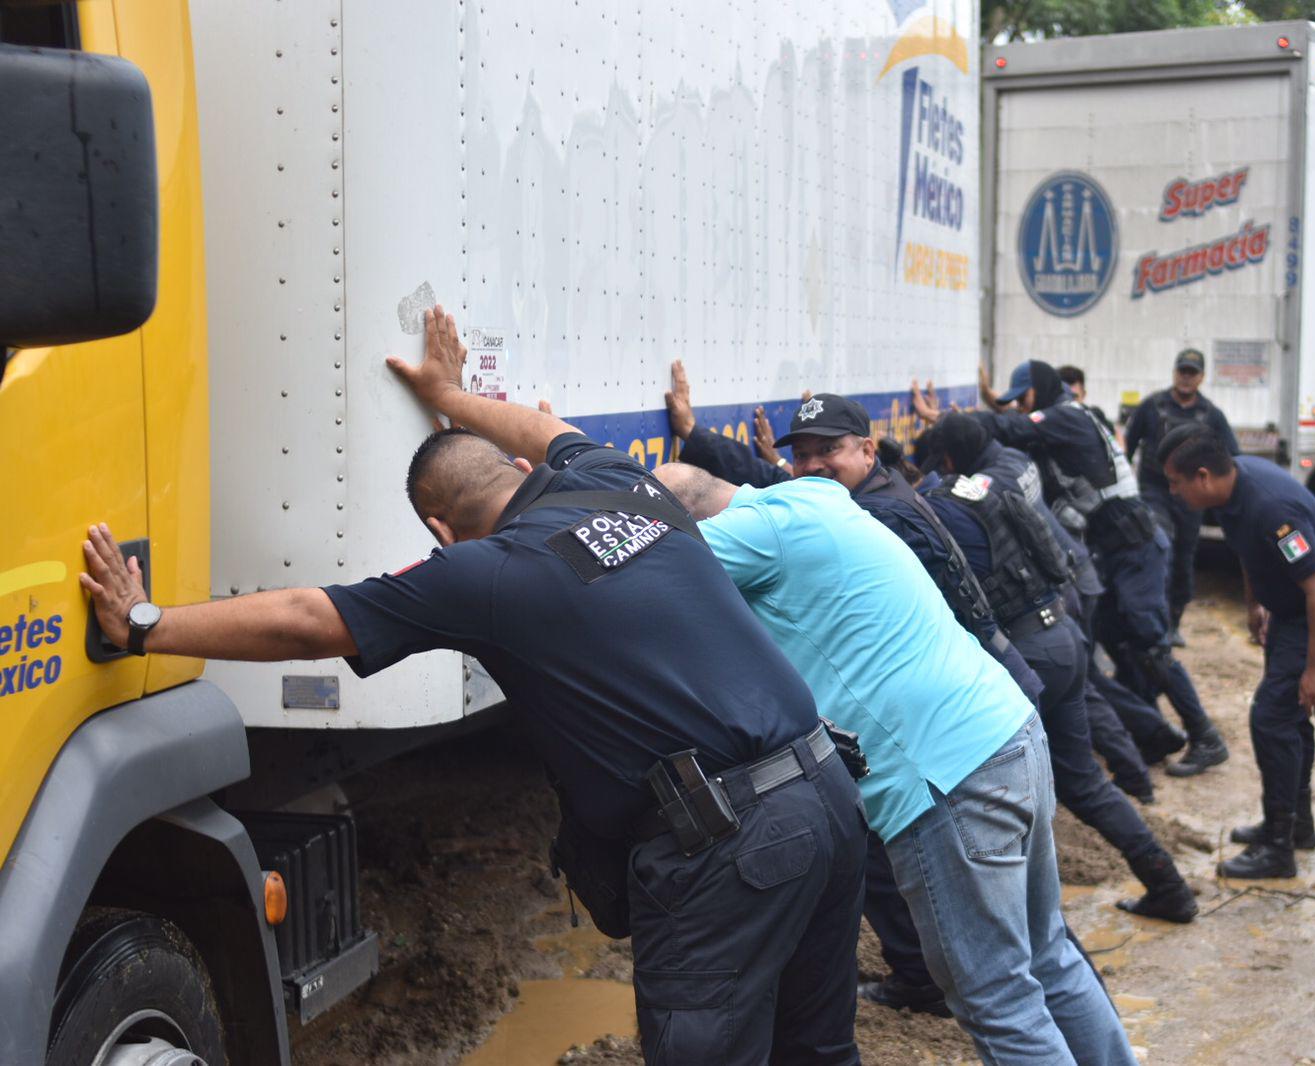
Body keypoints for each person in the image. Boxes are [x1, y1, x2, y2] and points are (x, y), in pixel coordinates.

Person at [79, 307, 869, 1065]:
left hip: (732, 847)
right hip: (830, 795)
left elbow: (308, 619)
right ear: (524, 474)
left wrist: (142, 623)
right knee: (818, 1052)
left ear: (440, 532)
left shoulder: (484, 574)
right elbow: (547, 431)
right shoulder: (618, 480)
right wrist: (450, 400)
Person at [652, 462, 1139, 1066]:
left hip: (945, 777)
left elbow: (646, 571)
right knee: (1050, 958)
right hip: (1009, 732)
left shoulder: (747, 535)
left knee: (997, 997)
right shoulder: (814, 499)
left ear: (692, 521)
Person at [664, 362, 1044, 1016]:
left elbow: (669, 556)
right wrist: (699, 436)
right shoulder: (847, 499)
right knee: (1043, 960)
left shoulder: (878, 513)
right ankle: (921, 975)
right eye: (802, 453)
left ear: (869, 450)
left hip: (949, 754)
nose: (812, 465)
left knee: (1000, 995)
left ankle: (924, 980)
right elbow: (759, 490)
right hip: (994, 722)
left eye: (829, 451)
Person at [921, 412, 1198, 923]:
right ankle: (1168, 884)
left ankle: (1028, 929)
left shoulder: (934, 510)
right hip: (1061, 633)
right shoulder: (992, 485)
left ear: (943, 462)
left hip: (1029, 655)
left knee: (999, 791)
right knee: (1084, 783)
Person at [916, 361, 1229, 778]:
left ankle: (1204, 735)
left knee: (1151, 645)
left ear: (1041, 391)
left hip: (1136, 545)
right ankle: (1153, 732)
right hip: (1116, 549)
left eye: (1023, 397)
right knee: (1118, 643)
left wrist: (949, 421)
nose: (1020, 408)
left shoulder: (1064, 416)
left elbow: (1013, 428)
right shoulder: (1061, 420)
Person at [1157, 424, 1315, 879]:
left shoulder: (1271, 508)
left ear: (1202, 477)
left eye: (1176, 483)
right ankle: (1294, 828)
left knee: (1271, 717)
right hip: (1293, 611)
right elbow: (1248, 552)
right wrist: (1256, 603)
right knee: (1287, 716)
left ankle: (1278, 849)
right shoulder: (1231, 493)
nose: (1173, 493)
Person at [1123, 349, 1240, 645]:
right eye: (1182, 371)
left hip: (1191, 496)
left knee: (1185, 557)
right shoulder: (1153, 406)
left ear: (1201, 377)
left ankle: (1174, 621)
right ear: (1174, 373)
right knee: (1161, 546)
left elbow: (1232, 457)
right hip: (1155, 489)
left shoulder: (1211, 414)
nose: (1186, 378)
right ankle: (1156, 621)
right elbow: (1128, 446)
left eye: (1192, 372)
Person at [1057, 365, 1116, 438]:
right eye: (1063, 398)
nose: (1069, 404)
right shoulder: (1046, 423)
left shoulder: (1094, 417)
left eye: (1073, 397)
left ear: (1083, 394)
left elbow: (1114, 440)